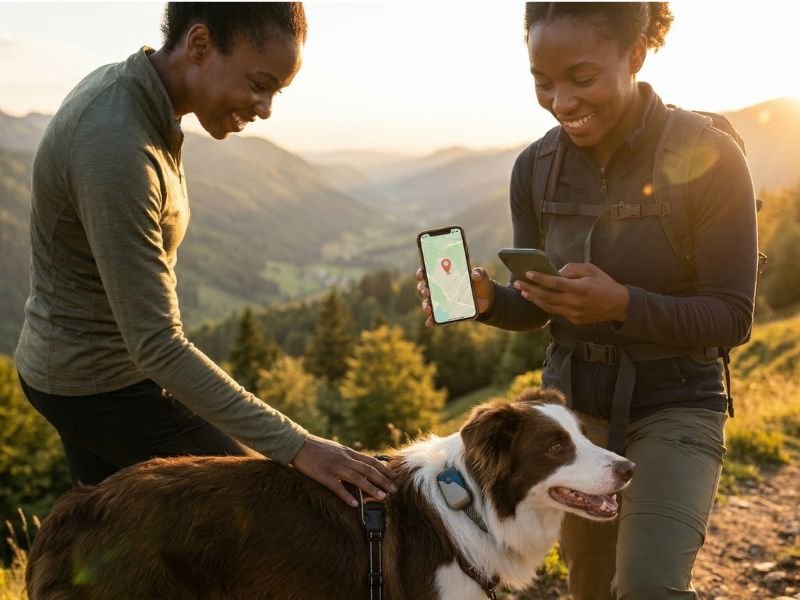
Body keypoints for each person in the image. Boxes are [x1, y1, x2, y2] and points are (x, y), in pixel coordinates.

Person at [417, 3, 757, 598]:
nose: (560, 102)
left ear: (634, 56)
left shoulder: (711, 155)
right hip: (573, 417)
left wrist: (621, 303)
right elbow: (537, 307)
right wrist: (489, 301)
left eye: (581, 79)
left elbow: (732, 316)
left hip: (676, 402)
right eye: (542, 83)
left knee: (650, 586)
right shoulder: (536, 169)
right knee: (591, 587)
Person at [15, 2, 395, 509]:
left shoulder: (141, 99)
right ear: (199, 45)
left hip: (81, 374)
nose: (265, 109)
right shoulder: (116, 145)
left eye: (275, 92)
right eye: (259, 84)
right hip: (102, 386)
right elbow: (157, 344)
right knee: (261, 513)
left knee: (116, 543)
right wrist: (300, 447)